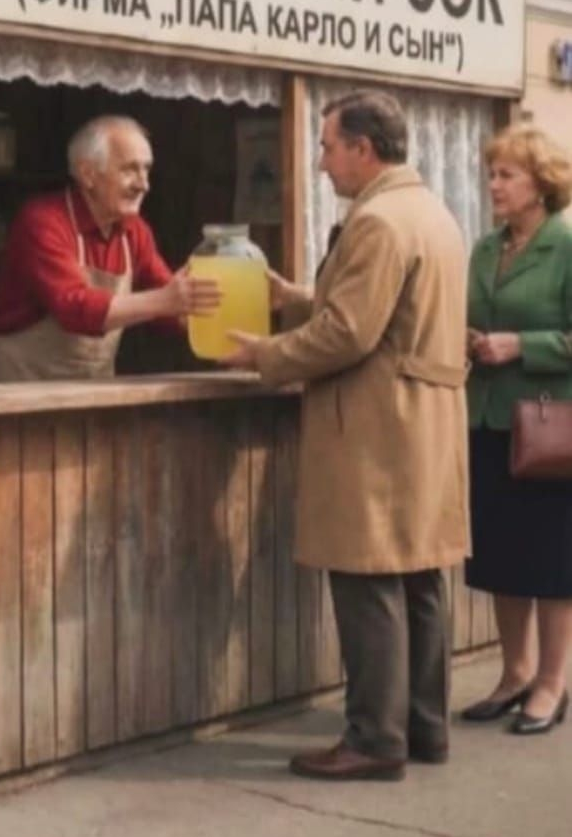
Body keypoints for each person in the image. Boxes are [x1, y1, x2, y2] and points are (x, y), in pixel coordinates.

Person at [223, 89, 469, 781]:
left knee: (368, 581)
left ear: (364, 149)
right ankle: (423, 728)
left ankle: (374, 739)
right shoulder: (429, 211)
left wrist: (265, 354)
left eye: (329, 147)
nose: (321, 162)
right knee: (418, 579)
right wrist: (294, 296)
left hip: (376, 427)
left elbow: (350, 332)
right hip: (422, 426)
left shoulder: (378, 222)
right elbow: (383, 305)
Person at [460, 124, 572, 735]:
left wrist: (521, 345)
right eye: (492, 174)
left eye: (507, 175)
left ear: (541, 183)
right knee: (502, 555)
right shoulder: (485, 248)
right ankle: (515, 674)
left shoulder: (567, 245)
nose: (494, 185)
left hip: (551, 427)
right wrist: (468, 339)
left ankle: (552, 684)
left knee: (551, 561)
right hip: (488, 420)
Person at [0, 114, 219, 381]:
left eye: (146, 169)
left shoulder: (134, 230)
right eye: (129, 170)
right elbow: (74, 308)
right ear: (88, 174)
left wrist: (205, 316)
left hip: (93, 390)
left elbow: (166, 300)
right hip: (22, 387)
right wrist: (165, 300)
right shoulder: (43, 221)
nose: (144, 185)